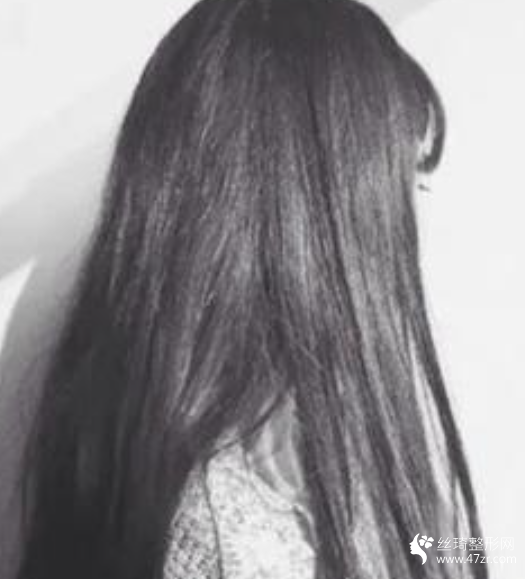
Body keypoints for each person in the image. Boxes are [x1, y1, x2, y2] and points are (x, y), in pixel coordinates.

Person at [15, 0, 488, 578]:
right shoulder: (230, 533)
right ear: (324, 207)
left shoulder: (318, 444)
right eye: (403, 180)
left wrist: (436, 536)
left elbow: (441, 551)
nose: (414, 217)